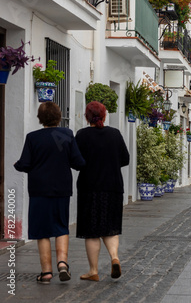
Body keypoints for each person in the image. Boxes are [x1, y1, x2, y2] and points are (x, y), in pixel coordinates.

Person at [14, 102, 85, 284]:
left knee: (42, 231)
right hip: (61, 189)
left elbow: (25, 164)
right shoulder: (67, 134)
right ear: (59, 117)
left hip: (39, 190)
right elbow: (78, 162)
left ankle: (46, 273)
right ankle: (62, 263)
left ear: (40, 118)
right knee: (61, 226)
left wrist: (18, 165)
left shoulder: (33, 138)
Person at [76, 101, 130, 282]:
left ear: (87, 116)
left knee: (92, 231)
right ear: (104, 116)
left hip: (89, 188)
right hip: (113, 187)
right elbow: (125, 159)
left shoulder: (82, 135)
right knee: (110, 227)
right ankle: (114, 257)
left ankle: (93, 271)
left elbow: (76, 162)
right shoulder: (115, 134)